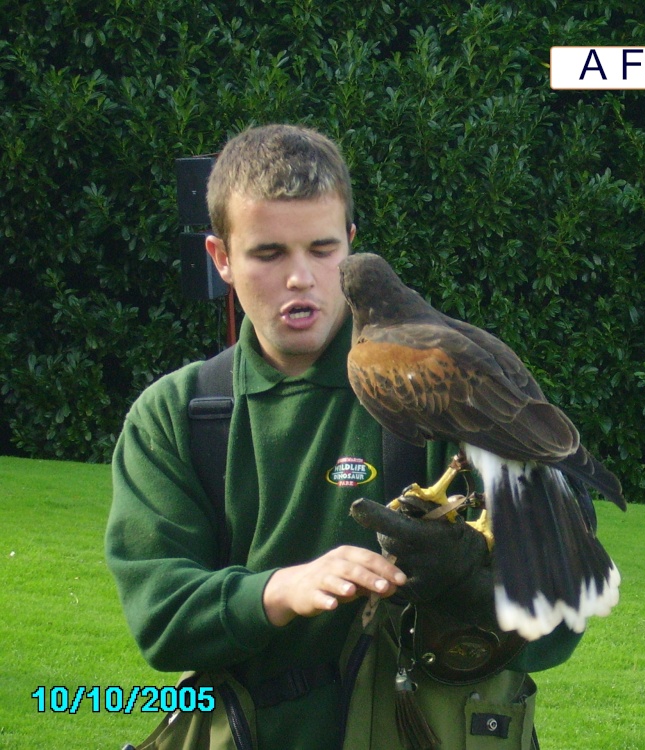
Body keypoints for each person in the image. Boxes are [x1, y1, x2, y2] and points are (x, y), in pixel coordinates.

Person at [106, 124, 580, 749]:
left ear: (351, 247)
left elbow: (560, 624)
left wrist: (466, 581)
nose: (300, 277)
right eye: (268, 253)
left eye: (322, 250)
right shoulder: (181, 414)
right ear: (220, 258)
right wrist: (276, 590)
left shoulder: (441, 373)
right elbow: (161, 619)